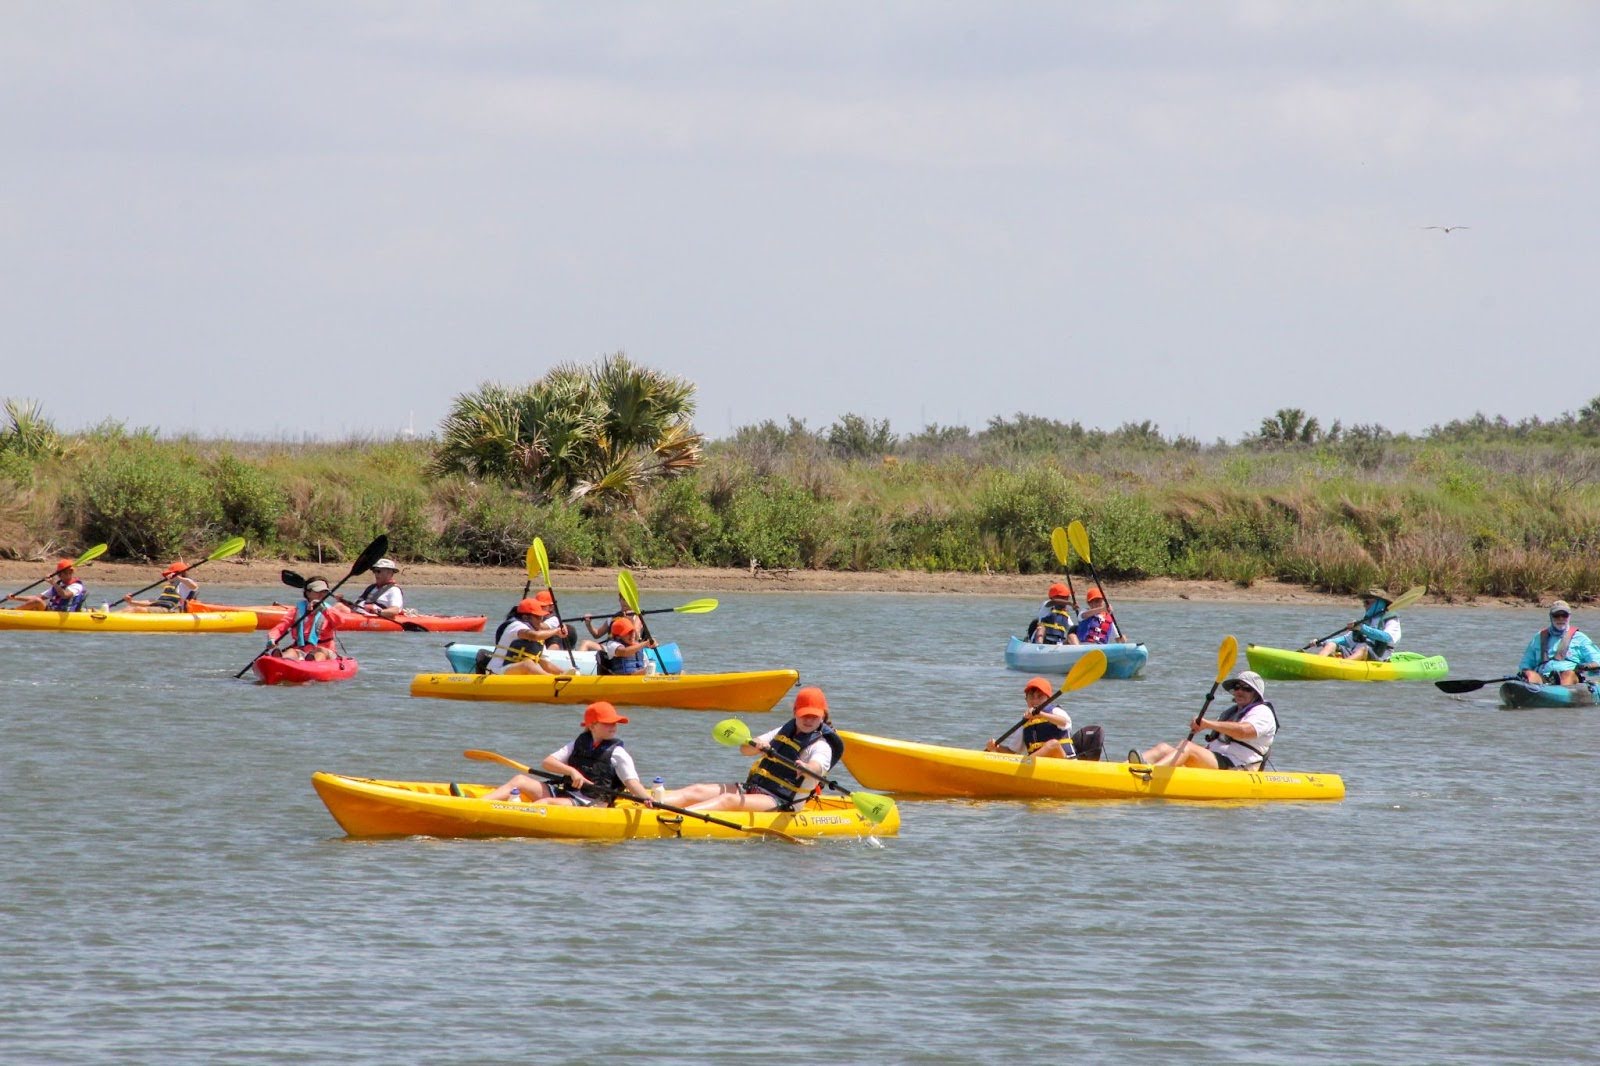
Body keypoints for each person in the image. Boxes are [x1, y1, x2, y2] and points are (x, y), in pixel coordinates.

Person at [661, 686, 843, 812]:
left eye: (814, 716)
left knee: (728, 800)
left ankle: (674, 817)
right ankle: (652, 804)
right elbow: (744, 750)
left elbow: (817, 767)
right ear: (795, 712)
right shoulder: (784, 730)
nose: (808, 720)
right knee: (697, 790)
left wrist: (805, 767)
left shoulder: (822, 746)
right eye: (804, 715)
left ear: (823, 716)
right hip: (755, 788)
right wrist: (757, 746)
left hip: (782, 801)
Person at [472, 701, 655, 807]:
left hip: (590, 803)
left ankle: (509, 816)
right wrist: (571, 772)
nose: (613, 727)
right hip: (566, 792)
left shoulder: (618, 753)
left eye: (615, 723)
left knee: (546, 804)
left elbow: (632, 784)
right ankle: (476, 805)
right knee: (519, 780)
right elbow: (548, 762)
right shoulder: (579, 743)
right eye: (607, 723)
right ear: (592, 726)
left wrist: (646, 799)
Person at [1137, 670, 1277, 770]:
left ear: (1256, 694)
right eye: (1237, 687)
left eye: (1246, 688)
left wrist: (1207, 724)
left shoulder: (1263, 712)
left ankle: (1150, 775)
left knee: (1188, 747)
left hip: (1238, 766)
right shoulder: (1231, 713)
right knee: (1163, 748)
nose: (1239, 691)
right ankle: (1126, 769)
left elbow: (1244, 732)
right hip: (1217, 760)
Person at [986, 676, 1074, 759]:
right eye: (1031, 697)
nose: (1035, 701)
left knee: (1053, 744)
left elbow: (1064, 722)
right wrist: (997, 747)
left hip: (1066, 763)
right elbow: (1012, 752)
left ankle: (1023, 765)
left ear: (1047, 699)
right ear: (1026, 699)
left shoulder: (1056, 711)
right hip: (1040, 767)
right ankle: (1023, 765)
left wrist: (1041, 714)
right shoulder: (1025, 723)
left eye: (1040, 697)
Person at [1519, 600, 1600, 685]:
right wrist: (1525, 673)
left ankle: (1559, 693)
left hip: (1569, 678)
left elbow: (1597, 660)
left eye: (1564, 615)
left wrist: (1588, 666)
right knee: (1529, 675)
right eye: (1556, 615)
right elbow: (1526, 664)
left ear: (1569, 616)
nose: (1560, 619)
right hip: (1543, 678)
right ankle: (1532, 692)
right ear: (1551, 617)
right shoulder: (1539, 637)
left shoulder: (1580, 638)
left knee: (1568, 675)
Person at [1311, 587, 1400, 661]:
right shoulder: (1365, 621)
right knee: (1331, 645)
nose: (1364, 605)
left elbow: (1388, 637)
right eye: (1364, 602)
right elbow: (1346, 640)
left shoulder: (1391, 619)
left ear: (1379, 603)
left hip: (1378, 656)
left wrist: (1362, 628)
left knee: (1363, 650)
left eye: (1367, 602)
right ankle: (1316, 663)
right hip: (1356, 653)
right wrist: (1321, 642)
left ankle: (1343, 667)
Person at [484, 598, 567, 675]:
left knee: (536, 663)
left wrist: (564, 673)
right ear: (525, 617)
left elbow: (545, 664)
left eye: (542, 617)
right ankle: (551, 680)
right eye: (538, 617)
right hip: (496, 671)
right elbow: (534, 636)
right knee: (528, 663)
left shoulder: (539, 637)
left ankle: (562, 678)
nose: (541, 620)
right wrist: (556, 631)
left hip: (515, 673)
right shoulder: (516, 626)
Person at [264, 577, 340, 661]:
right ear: (308, 593)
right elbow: (280, 628)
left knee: (319, 652)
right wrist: (272, 638)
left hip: (325, 650)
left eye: (324, 591)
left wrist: (324, 611)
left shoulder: (329, 610)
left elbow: (339, 623)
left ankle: (312, 662)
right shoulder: (297, 611)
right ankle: (280, 659)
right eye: (318, 591)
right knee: (291, 652)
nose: (321, 594)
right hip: (301, 649)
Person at [578, 615, 659, 675]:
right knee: (648, 670)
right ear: (618, 636)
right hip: (623, 678)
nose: (632, 635)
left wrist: (653, 645)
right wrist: (645, 643)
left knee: (652, 668)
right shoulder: (612, 644)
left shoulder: (638, 646)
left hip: (638, 677)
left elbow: (645, 663)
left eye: (632, 631)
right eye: (628, 633)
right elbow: (624, 652)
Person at [8, 559, 87, 612]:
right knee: (36, 601)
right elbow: (37, 597)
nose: (68, 574)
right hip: (52, 611)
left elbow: (65, 595)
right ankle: (13, 611)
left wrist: (53, 583)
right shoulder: (59, 585)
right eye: (66, 572)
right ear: (59, 574)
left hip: (65, 613)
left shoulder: (76, 585)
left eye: (70, 572)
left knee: (37, 602)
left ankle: (13, 612)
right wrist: (15, 598)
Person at [123, 561, 198, 613]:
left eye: (170, 574)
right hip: (163, 608)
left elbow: (194, 586)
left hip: (174, 610)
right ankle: (111, 618)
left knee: (138, 609)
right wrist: (131, 602)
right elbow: (154, 602)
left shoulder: (184, 584)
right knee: (129, 608)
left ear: (179, 574)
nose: (168, 577)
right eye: (167, 575)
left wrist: (178, 577)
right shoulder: (169, 587)